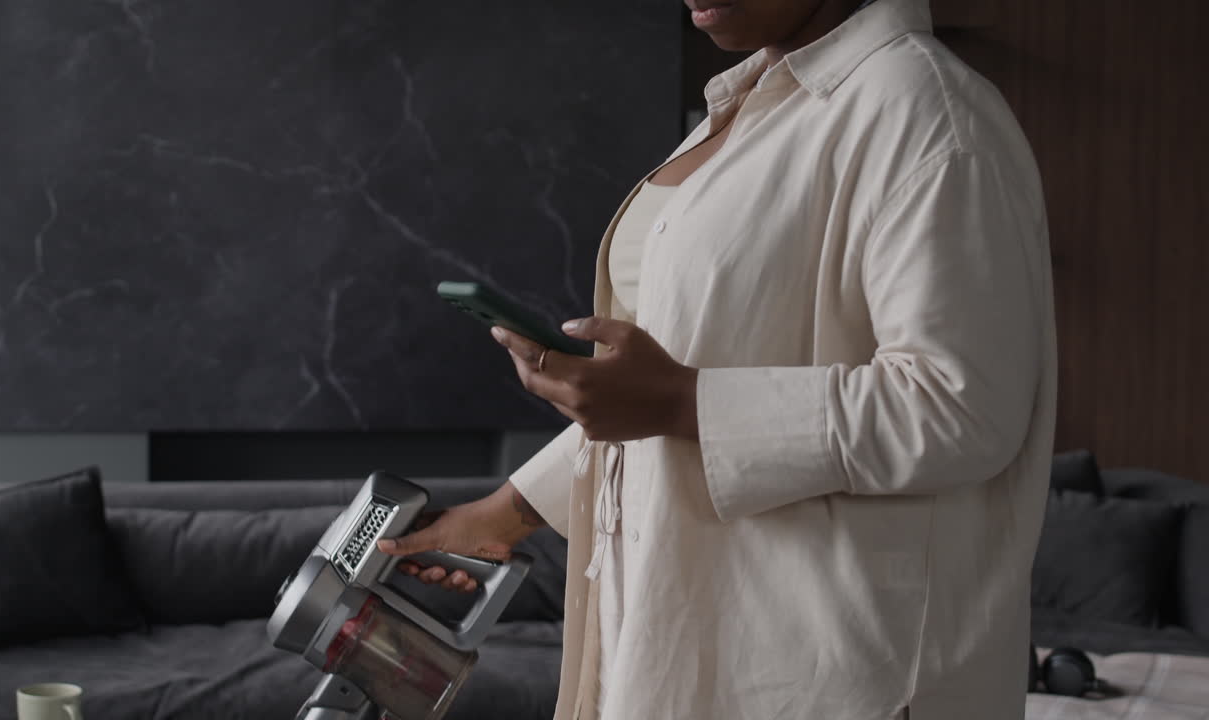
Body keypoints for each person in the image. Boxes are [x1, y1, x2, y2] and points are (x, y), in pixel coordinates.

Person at [377, 0, 1057, 717]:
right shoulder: (749, 107)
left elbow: (960, 409)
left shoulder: (926, 110)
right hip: (688, 624)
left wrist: (680, 402)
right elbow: (698, 371)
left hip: (836, 673)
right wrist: (508, 513)